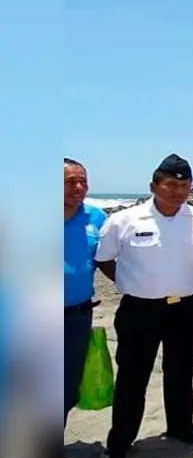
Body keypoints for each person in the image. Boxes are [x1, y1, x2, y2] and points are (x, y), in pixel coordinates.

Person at [94, 154, 193, 458]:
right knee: (133, 376)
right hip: (140, 309)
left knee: (181, 371)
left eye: (184, 185)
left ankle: (181, 427)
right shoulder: (124, 220)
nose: (178, 191)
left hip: (187, 307)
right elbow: (104, 260)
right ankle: (121, 440)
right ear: (153, 186)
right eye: (170, 184)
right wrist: (130, 282)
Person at [63, 158, 107, 430]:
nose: (79, 188)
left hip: (77, 316)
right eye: (70, 182)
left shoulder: (97, 218)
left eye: (83, 182)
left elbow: (108, 258)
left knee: (67, 386)